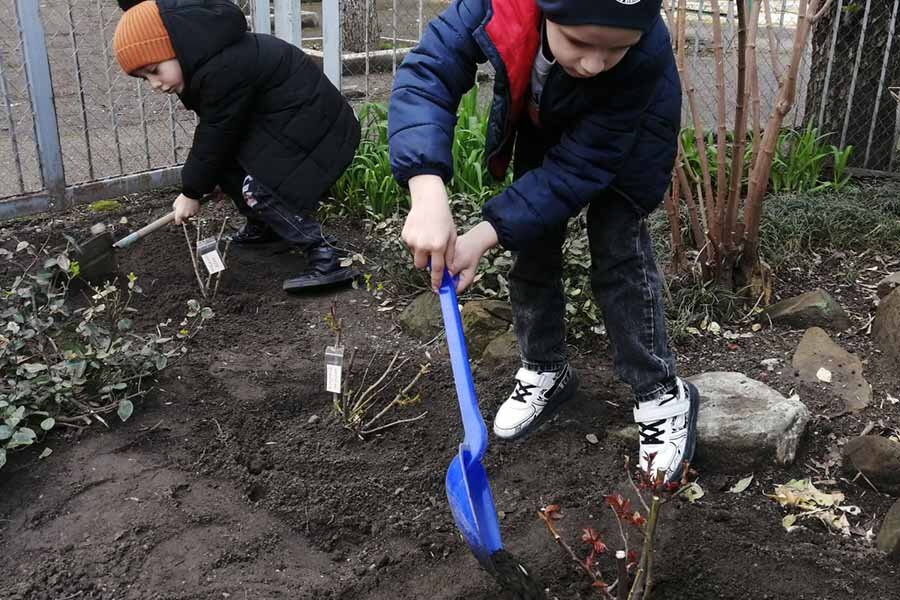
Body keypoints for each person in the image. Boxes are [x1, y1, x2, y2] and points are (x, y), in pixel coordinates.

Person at [388, 0, 698, 482]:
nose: (594, 63)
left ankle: (660, 393)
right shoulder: (496, 6)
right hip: (546, 115)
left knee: (618, 252)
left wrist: (481, 236)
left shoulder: (643, 56)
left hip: (630, 137)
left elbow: (578, 169)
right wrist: (426, 188)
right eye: (578, 42)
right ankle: (546, 369)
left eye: (614, 49)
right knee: (533, 239)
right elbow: (428, 71)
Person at [113, 0, 359, 292]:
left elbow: (216, 133)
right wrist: (208, 180)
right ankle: (264, 227)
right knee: (227, 168)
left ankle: (325, 255)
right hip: (287, 120)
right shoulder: (207, 62)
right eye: (145, 78)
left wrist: (191, 192)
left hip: (315, 126)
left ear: (179, 48)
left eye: (155, 70)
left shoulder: (221, 68)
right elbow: (222, 138)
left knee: (258, 188)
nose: (154, 83)